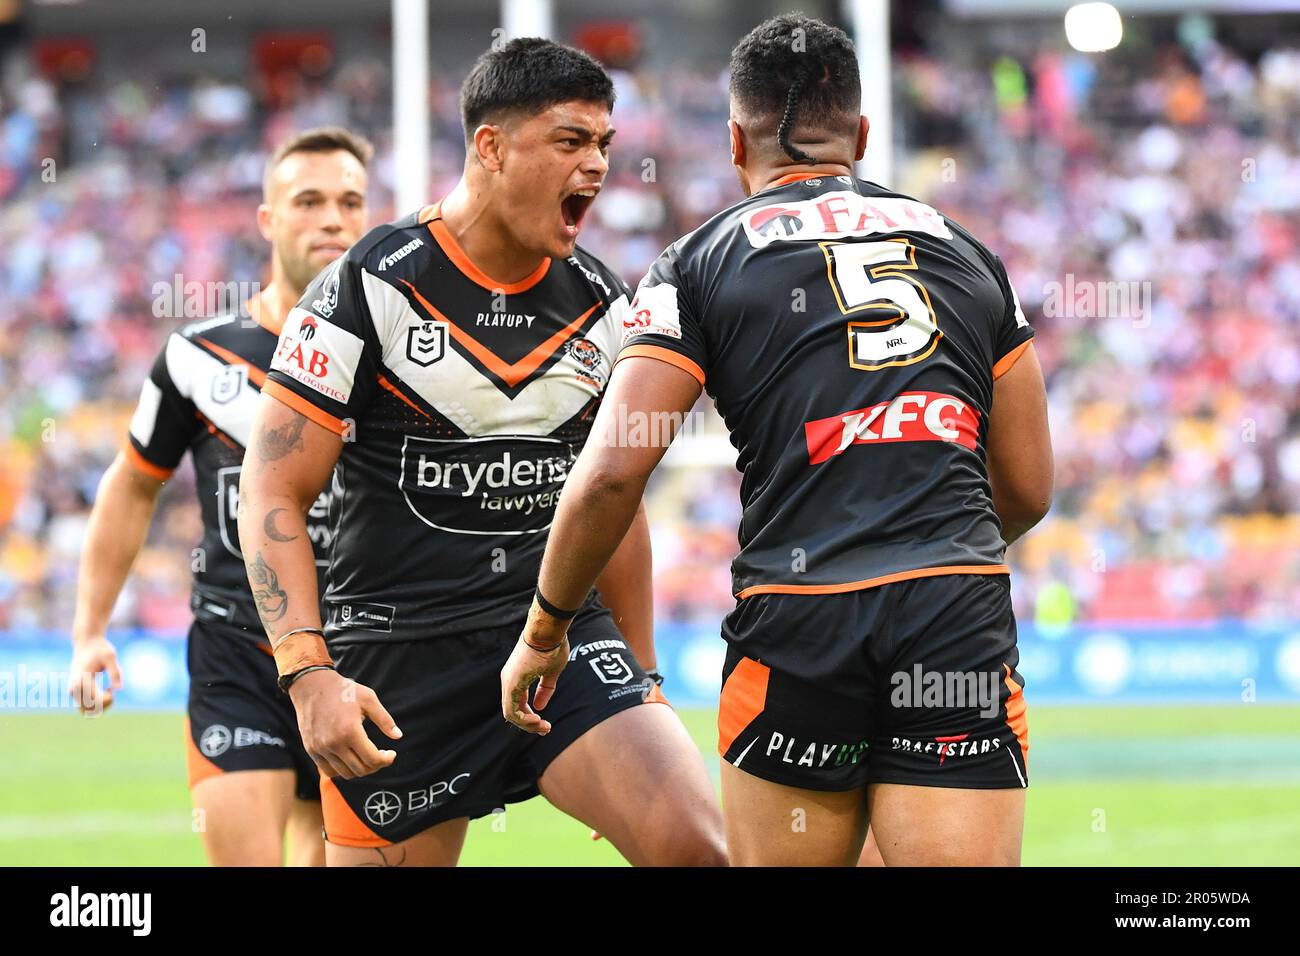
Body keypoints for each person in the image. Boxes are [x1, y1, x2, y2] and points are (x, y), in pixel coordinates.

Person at [501, 14, 1053, 867]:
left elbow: (612, 475)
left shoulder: (697, 262)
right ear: (862, 135)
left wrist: (546, 630)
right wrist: (936, 544)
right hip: (952, 611)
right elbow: (1027, 484)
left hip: (800, 619)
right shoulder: (967, 254)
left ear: (734, 141)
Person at [238, 38, 725, 867]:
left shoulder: (609, 306)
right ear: (489, 147)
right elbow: (271, 491)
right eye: (571, 142)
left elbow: (615, 500)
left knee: (695, 846)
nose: (597, 167)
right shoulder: (369, 286)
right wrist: (307, 673)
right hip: (398, 658)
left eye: (604, 145)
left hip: (550, 639)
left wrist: (640, 675)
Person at [68, 127, 373, 866]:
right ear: (268, 220)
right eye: (308, 201)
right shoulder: (199, 357)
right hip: (239, 649)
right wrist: (89, 630)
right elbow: (133, 485)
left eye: (350, 201)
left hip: (366, 650)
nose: (332, 218)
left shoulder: (397, 355)